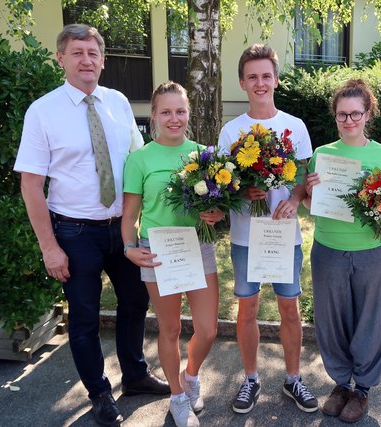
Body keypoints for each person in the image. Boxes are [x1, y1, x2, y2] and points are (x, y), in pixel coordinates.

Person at [14, 24, 169, 427]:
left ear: (102, 60)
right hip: (74, 231)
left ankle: (134, 375)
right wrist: (50, 247)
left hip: (123, 229)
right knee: (84, 316)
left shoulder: (117, 102)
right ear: (61, 58)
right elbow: (31, 184)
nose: (87, 60)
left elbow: (142, 162)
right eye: (77, 52)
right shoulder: (42, 111)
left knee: (136, 304)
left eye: (93, 53)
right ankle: (100, 393)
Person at [217, 43, 318, 414]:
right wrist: (244, 189)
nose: (260, 83)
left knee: (289, 308)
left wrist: (293, 199)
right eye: (252, 77)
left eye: (266, 76)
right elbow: (223, 183)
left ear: (276, 79)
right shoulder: (232, 131)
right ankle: (251, 379)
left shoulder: (295, 126)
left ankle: (293, 378)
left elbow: (304, 175)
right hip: (246, 237)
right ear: (242, 82)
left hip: (282, 235)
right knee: (248, 310)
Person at [121, 81, 223, 427]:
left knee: (207, 329)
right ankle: (178, 398)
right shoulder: (140, 159)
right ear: (154, 116)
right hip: (157, 250)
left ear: (188, 113)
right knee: (170, 328)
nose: (174, 118)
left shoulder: (204, 154)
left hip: (197, 245)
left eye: (180, 111)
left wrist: (216, 214)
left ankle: (190, 377)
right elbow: (130, 214)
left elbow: (217, 206)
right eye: (166, 112)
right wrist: (129, 248)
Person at [304, 79, 381, 423]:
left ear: (367, 113)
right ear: (335, 116)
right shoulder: (322, 154)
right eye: (342, 115)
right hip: (329, 248)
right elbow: (309, 202)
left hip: (374, 253)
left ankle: (363, 390)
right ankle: (341, 384)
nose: (348, 121)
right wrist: (310, 190)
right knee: (331, 321)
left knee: (373, 320)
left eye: (355, 114)